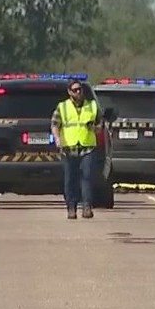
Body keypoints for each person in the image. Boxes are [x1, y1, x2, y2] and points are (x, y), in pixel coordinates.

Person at [51, 78, 101, 219]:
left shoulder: (92, 106)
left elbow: (100, 126)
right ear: (69, 92)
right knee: (70, 179)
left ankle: (86, 207)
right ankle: (71, 207)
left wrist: (95, 128)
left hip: (87, 147)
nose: (78, 92)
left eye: (80, 89)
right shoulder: (62, 107)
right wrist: (57, 139)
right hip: (69, 148)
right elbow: (55, 124)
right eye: (75, 90)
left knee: (87, 177)